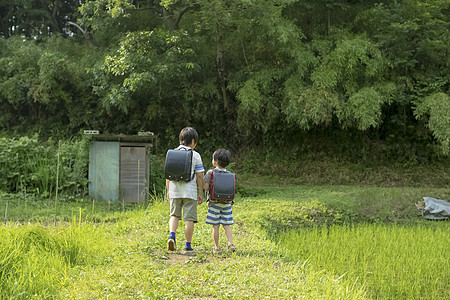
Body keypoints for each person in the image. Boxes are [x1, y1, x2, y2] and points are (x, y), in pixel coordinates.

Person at [167, 127, 204, 253]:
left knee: (174, 215)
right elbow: (199, 175)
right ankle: (188, 245)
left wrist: (168, 191)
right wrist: (200, 192)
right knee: (189, 218)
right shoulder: (196, 155)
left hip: (174, 190)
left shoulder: (172, 153)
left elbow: (168, 175)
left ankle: (172, 236)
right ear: (193, 141)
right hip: (190, 191)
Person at [204, 149, 236, 253]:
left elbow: (206, 187)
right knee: (227, 225)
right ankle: (230, 243)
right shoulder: (230, 174)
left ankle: (217, 247)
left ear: (216, 161)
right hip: (227, 204)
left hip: (214, 204)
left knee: (216, 226)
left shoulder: (210, 173)